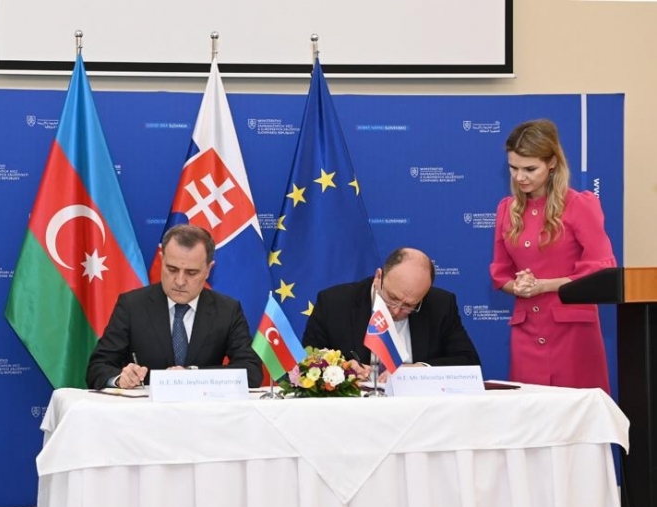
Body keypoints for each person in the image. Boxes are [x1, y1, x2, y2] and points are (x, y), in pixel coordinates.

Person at [489, 119, 616, 391]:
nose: (519, 177)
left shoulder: (580, 205)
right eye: (513, 168)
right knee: (530, 410)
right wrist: (518, 286)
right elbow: (501, 274)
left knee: (576, 411)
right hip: (526, 330)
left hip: (573, 332)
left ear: (552, 163)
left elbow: (601, 271)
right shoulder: (506, 209)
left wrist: (544, 286)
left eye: (529, 169)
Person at [86, 224, 263, 389]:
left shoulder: (227, 310)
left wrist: (193, 376)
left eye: (191, 272)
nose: (179, 281)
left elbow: (251, 371)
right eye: (172, 269)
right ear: (162, 260)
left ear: (208, 270)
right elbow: (97, 367)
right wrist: (120, 378)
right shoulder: (132, 306)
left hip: (204, 411)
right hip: (146, 411)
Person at [302, 247, 480, 378]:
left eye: (409, 305)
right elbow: (306, 364)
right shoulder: (334, 303)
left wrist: (419, 370)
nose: (396, 310)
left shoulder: (440, 305)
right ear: (378, 277)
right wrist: (344, 369)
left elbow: (469, 362)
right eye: (392, 298)